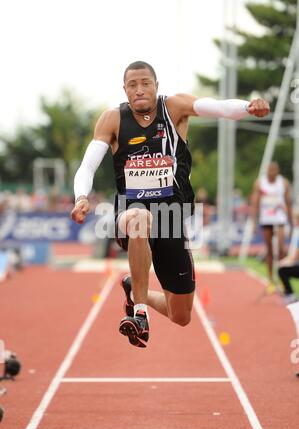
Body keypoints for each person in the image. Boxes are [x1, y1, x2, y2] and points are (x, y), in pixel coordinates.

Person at [71, 61, 270, 348]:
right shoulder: (112, 119)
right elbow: (88, 165)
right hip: (131, 213)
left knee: (181, 315)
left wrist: (248, 107)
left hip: (171, 218)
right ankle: (140, 315)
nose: (139, 89)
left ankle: (133, 288)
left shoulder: (174, 108)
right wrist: (81, 197)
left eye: (145, 83)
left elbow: (219, 107)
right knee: (139, 218)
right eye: (132, 85)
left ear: (156, 85)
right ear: (125, 89)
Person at [251, 162, 292, 284]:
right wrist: (254, 222)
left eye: (274, 170)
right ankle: (270, 278)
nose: (272, 173)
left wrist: (291, 221)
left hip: (280, 218)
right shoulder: (260, 183)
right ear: (267, 170)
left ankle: (283, 275)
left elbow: (288, 202)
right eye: (270, 170)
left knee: (281, 248)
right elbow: (255, 203)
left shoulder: (283, 183)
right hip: (266, 219)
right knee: (269, 249)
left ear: (277, 171)